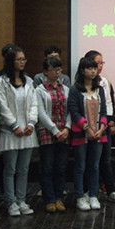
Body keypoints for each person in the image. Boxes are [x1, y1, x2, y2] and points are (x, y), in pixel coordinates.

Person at [0, 45, 38, 217]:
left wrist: (31, 123)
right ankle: (11, 202)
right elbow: (2, 106)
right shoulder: (2, 82)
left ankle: (21, 200)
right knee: (10, 169)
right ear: (10, 61)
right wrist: (14, 125)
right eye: (19, 59)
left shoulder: (29, 81)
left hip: (27, 131)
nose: (22, 62)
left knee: (23, 169)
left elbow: (34, 104)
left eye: (23, 59)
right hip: (11, 131)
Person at [67, 56, 108, 211]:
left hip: (98, 133)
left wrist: (101, 128)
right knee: (80, 166)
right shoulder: (75, 90)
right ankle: (80, 196)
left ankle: (93, 195)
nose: (93, 71)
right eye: (89, 68)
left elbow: (104, 111)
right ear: (82, 71)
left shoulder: (100, 89)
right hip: (81, 134)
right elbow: (74, 112)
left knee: (94, 166)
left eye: (94, 68)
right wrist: (87, 128)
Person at [85, 50, 115, 204]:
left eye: (102, 63)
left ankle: (110, 190)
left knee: (106, 160)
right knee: (90, 161)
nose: (100, 66)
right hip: (89, 128)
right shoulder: (83, 85)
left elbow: (109, 103)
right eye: (97, 63)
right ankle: (89, 191)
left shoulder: (105, 82)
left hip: (104, 126)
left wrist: (111, 122)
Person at [36, 56, 71, 212]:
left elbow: (70, 110)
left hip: (64, 132)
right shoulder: (40, 90)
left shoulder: (65, 89)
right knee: (47, 168)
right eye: (54, 70)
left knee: (61, 168)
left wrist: (67, 128)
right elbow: (41, 113)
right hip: (47, 133)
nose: (57, 73)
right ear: (45, 72)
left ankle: (59, 198)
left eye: (59, 69)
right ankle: (49, 199)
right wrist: (55, 131)